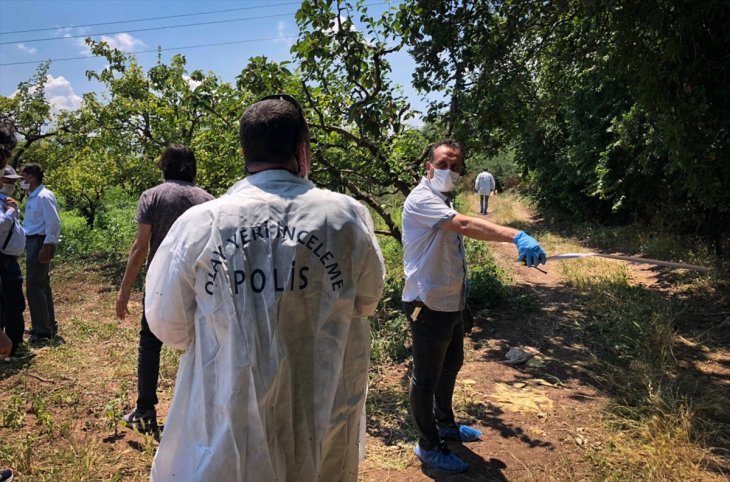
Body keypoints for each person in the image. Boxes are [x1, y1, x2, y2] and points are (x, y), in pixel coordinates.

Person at [144, 94, 385, 481]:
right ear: (302, 151)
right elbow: (368, 301)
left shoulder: (202, 223)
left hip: (227, 416)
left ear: (244, 151)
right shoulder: (345, 216)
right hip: (319, 410)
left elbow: (167, 323)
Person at [402, 139, 546, 474]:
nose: (449, 171)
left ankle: (446, 426)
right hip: (428, 303)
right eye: (442, 164)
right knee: (425, 378)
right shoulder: (423, 199)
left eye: (455, 166)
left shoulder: (442, 198)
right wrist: (516, 236)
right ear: (428, 167)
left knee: (451, 365)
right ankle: (427, 445)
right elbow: (465, 226)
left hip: (450, 301)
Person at [116, 144, 214, 433]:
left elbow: (140, 249)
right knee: (203, 344)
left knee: (150, 342)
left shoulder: (153, 196)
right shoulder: (208, 200)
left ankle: (145, 410)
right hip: (199, 284)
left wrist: (124, 290)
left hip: (161, 283)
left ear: (164, 166)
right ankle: (203, 415)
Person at [19, 163, 61, 345]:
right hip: (34, 241)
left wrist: (47, 245)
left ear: (32, 178)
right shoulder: (33, 197)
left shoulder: (44, 196)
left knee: (35, 286)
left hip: (40, 241)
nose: (22, 181)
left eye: (23, 177)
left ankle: (42, 330)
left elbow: (54, 222)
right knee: (41, 285)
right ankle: (47, 325)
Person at [0, 166, 27, 359]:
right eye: (8, 180)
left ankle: (12, 346)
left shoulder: (8, 201)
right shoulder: (6, 205)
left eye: (14, 181)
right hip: (3, 260)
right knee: (10, 305)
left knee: (13, 304)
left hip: (9, 259)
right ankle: (10, 348)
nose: (11, 185)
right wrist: (10, 212)